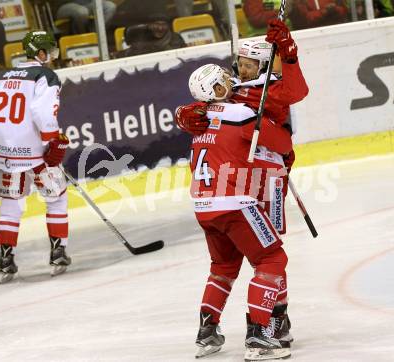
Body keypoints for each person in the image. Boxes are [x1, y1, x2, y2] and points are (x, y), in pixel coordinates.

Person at [175, 19, 309, 355]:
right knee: (270, 256)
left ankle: (276, 319)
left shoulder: (273, 87)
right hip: (241, 185)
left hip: (263, 181)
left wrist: (289, 55)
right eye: (241, 63)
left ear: (265, 64)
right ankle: (264, 326)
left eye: (250, 64)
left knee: (265, 252)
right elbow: (208, 103)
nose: (242, 69)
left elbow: (296, 94)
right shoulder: (234, 93)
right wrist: (185, 113)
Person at [187, 63, 292, 360]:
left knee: (223, 267)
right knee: (272, 258)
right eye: (223, 81)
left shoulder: (198, 119)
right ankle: (259, 336)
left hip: (203, 206)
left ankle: (207, 333)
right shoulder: (241, 114)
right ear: (216, 90)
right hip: (234, 203)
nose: (230, 82)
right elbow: (282, 143)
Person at [0, 30, 71, 283]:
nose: (51, 55)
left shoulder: (0, 75)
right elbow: (42, 111)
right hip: (35, 154)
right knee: (57, 197)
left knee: (10, 204)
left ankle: (6, 258)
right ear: (40, 53)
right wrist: (50, 141)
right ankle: (58, 252)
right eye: (49, 50)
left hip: (5, 153)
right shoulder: (45, 75)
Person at [115, 14, 186, 58]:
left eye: (164, 25)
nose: (160, 28)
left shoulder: (176, 39)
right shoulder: (140, 39)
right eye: (156, 24)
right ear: (149, 25)